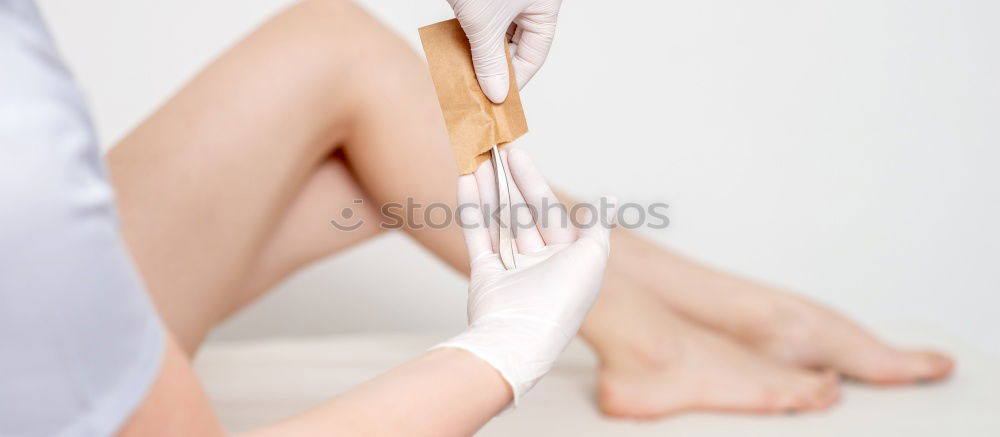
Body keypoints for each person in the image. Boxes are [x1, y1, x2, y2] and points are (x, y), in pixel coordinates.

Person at [0, 1, 953, 436]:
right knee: (367, 153)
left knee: (330, 48)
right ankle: (676, 338)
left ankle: (702, 324)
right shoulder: (25, 155)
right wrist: (493, 361)